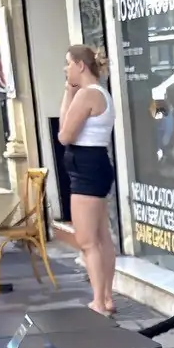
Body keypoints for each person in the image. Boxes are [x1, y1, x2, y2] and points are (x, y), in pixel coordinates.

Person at [58, 45, 116, 315]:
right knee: (102, 236)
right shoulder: (98, 92)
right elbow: (66, 125)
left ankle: (99, 302)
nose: (66, 68)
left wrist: (71, 93)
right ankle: (107, 297)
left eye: (68, 63)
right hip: (95, 164)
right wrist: (68, 91)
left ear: (80, 65)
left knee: (87, 240)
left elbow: (64, 135)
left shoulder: (87, 94)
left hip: (86, 168)